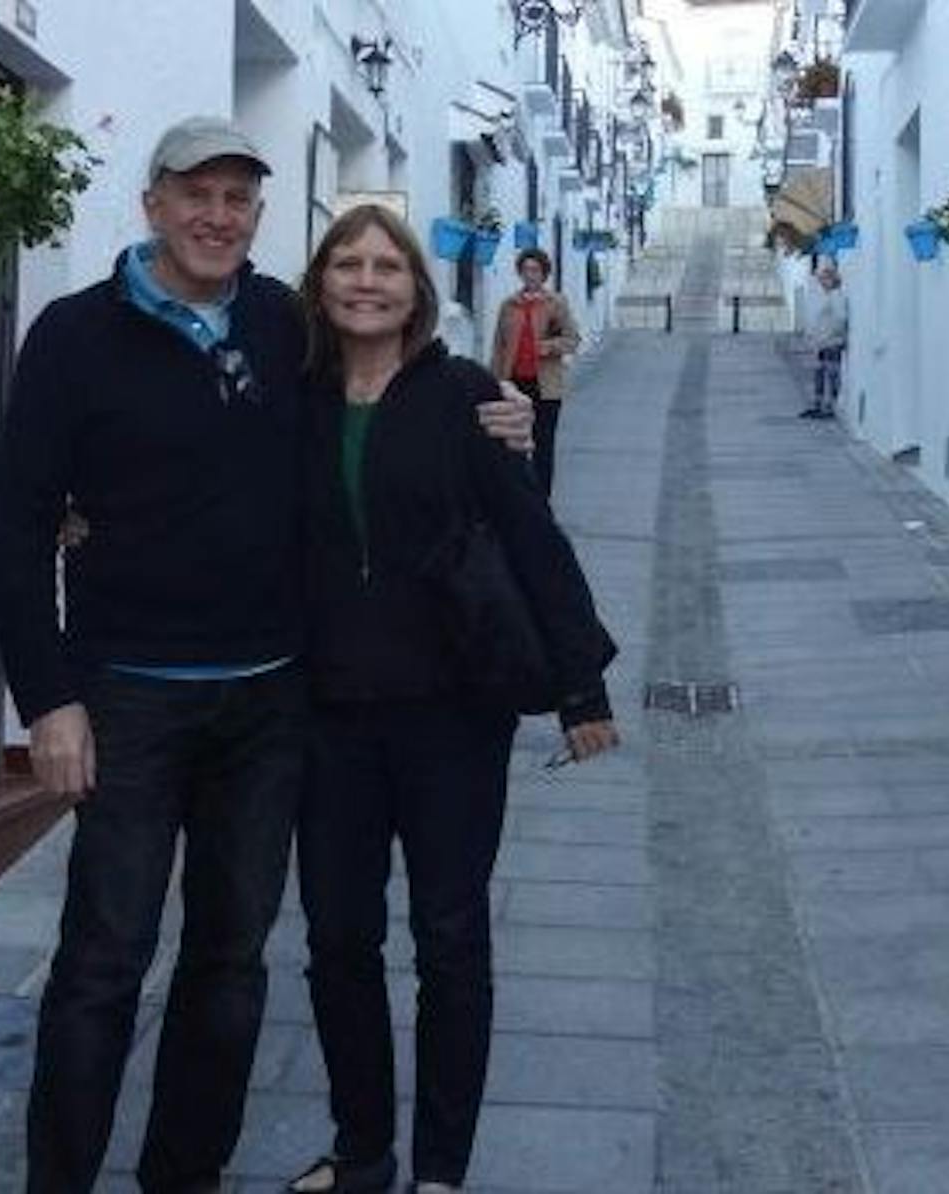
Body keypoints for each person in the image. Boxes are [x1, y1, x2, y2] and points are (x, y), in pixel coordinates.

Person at [0, 118, 529, 1194]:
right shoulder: (72, 334)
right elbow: (15, 521)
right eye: (196, 194)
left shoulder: (287, 329)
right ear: (152, 204)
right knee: (104, 961)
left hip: (271, 700)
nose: (216, 216)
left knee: (230, 966)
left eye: (238, 199)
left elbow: (389, 370)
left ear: (257, 218)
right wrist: (48, 698)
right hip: (129, 697)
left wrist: (495, 408)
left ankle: (182, 1174)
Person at [286, 206, 620, 1194]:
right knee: (339, 940)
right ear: (320, 282)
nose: (366, 280)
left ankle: (439, 1171)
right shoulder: (288, 397)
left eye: (387, 265)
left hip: (450, 718)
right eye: (346, 263)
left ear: (418, 291)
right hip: (327, 717)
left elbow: (532, 540)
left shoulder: (467, 395)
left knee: (450, 940)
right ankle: (363, 1154)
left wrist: (581, 687)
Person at [488, 247, 581, 497]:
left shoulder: (556, 303)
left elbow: (572, 339)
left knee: (543, 445)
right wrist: (494, 382)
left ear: (544, 273)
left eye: (535, 270)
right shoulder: (508, 305)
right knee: (511, 444)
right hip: (515, 385)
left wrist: (548, 347)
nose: (530, 275)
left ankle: (541, 501)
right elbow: (499, 346)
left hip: (546, 387)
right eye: (525, 269)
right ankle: (516, 497)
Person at [803, 261, 848, 419]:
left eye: (824, 279)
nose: (821, 282)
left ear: (832, 280)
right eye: (820, 279)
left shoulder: (837, 296)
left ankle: (830, 406)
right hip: (823, 342)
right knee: (820, 373)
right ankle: (819, 404)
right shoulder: (828, 296)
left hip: (831, 343)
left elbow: (841, 318)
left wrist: (832, 335)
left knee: (831, 374)